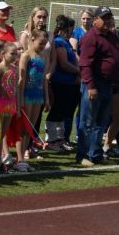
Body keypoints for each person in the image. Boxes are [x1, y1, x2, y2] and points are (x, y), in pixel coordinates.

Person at [77, 6, 119, 166]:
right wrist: (91, 86)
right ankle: (83, 155)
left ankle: (95, 153)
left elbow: (116, 60)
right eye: (103, 18)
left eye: (109, 18)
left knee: (101, 122)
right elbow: (85, 64)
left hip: (108, 85)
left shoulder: (112, 37)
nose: (107, 21)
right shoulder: (90, 37)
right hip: (94, 83)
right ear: (95, 19)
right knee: (87, 121)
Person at [18, 28, 50, 162]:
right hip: (27, 93)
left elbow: (44, 79)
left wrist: (46, 98)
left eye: (45, 44)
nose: (43, 46)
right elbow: (21, 79)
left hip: (38, 94)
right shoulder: (26, 56)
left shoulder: (42, 57)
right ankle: (20, 157)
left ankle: (24, 153)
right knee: (24, 127)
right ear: (32, 40)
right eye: (41, 43)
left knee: (30, 128)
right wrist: (20, 98)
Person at [48, 17, 79, 151]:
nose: (73, 30)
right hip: (60, 82)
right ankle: (52, 140)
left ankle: (60, 140)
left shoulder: (66, 42)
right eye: (71, 27)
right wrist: (79, 71)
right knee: (57, 110)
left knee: (63, 112)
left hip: (69, 83)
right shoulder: (59, 42)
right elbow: (64, 63)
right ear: (67, 28)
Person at [0, 42, 22, 171]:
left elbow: (16, 89)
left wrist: (18, 107)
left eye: (16, 54)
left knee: (3, 133)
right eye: (12, 54)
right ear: (3, 53)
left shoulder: (15, 69)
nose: (15, 56)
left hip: (10, 104)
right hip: (0, 103)